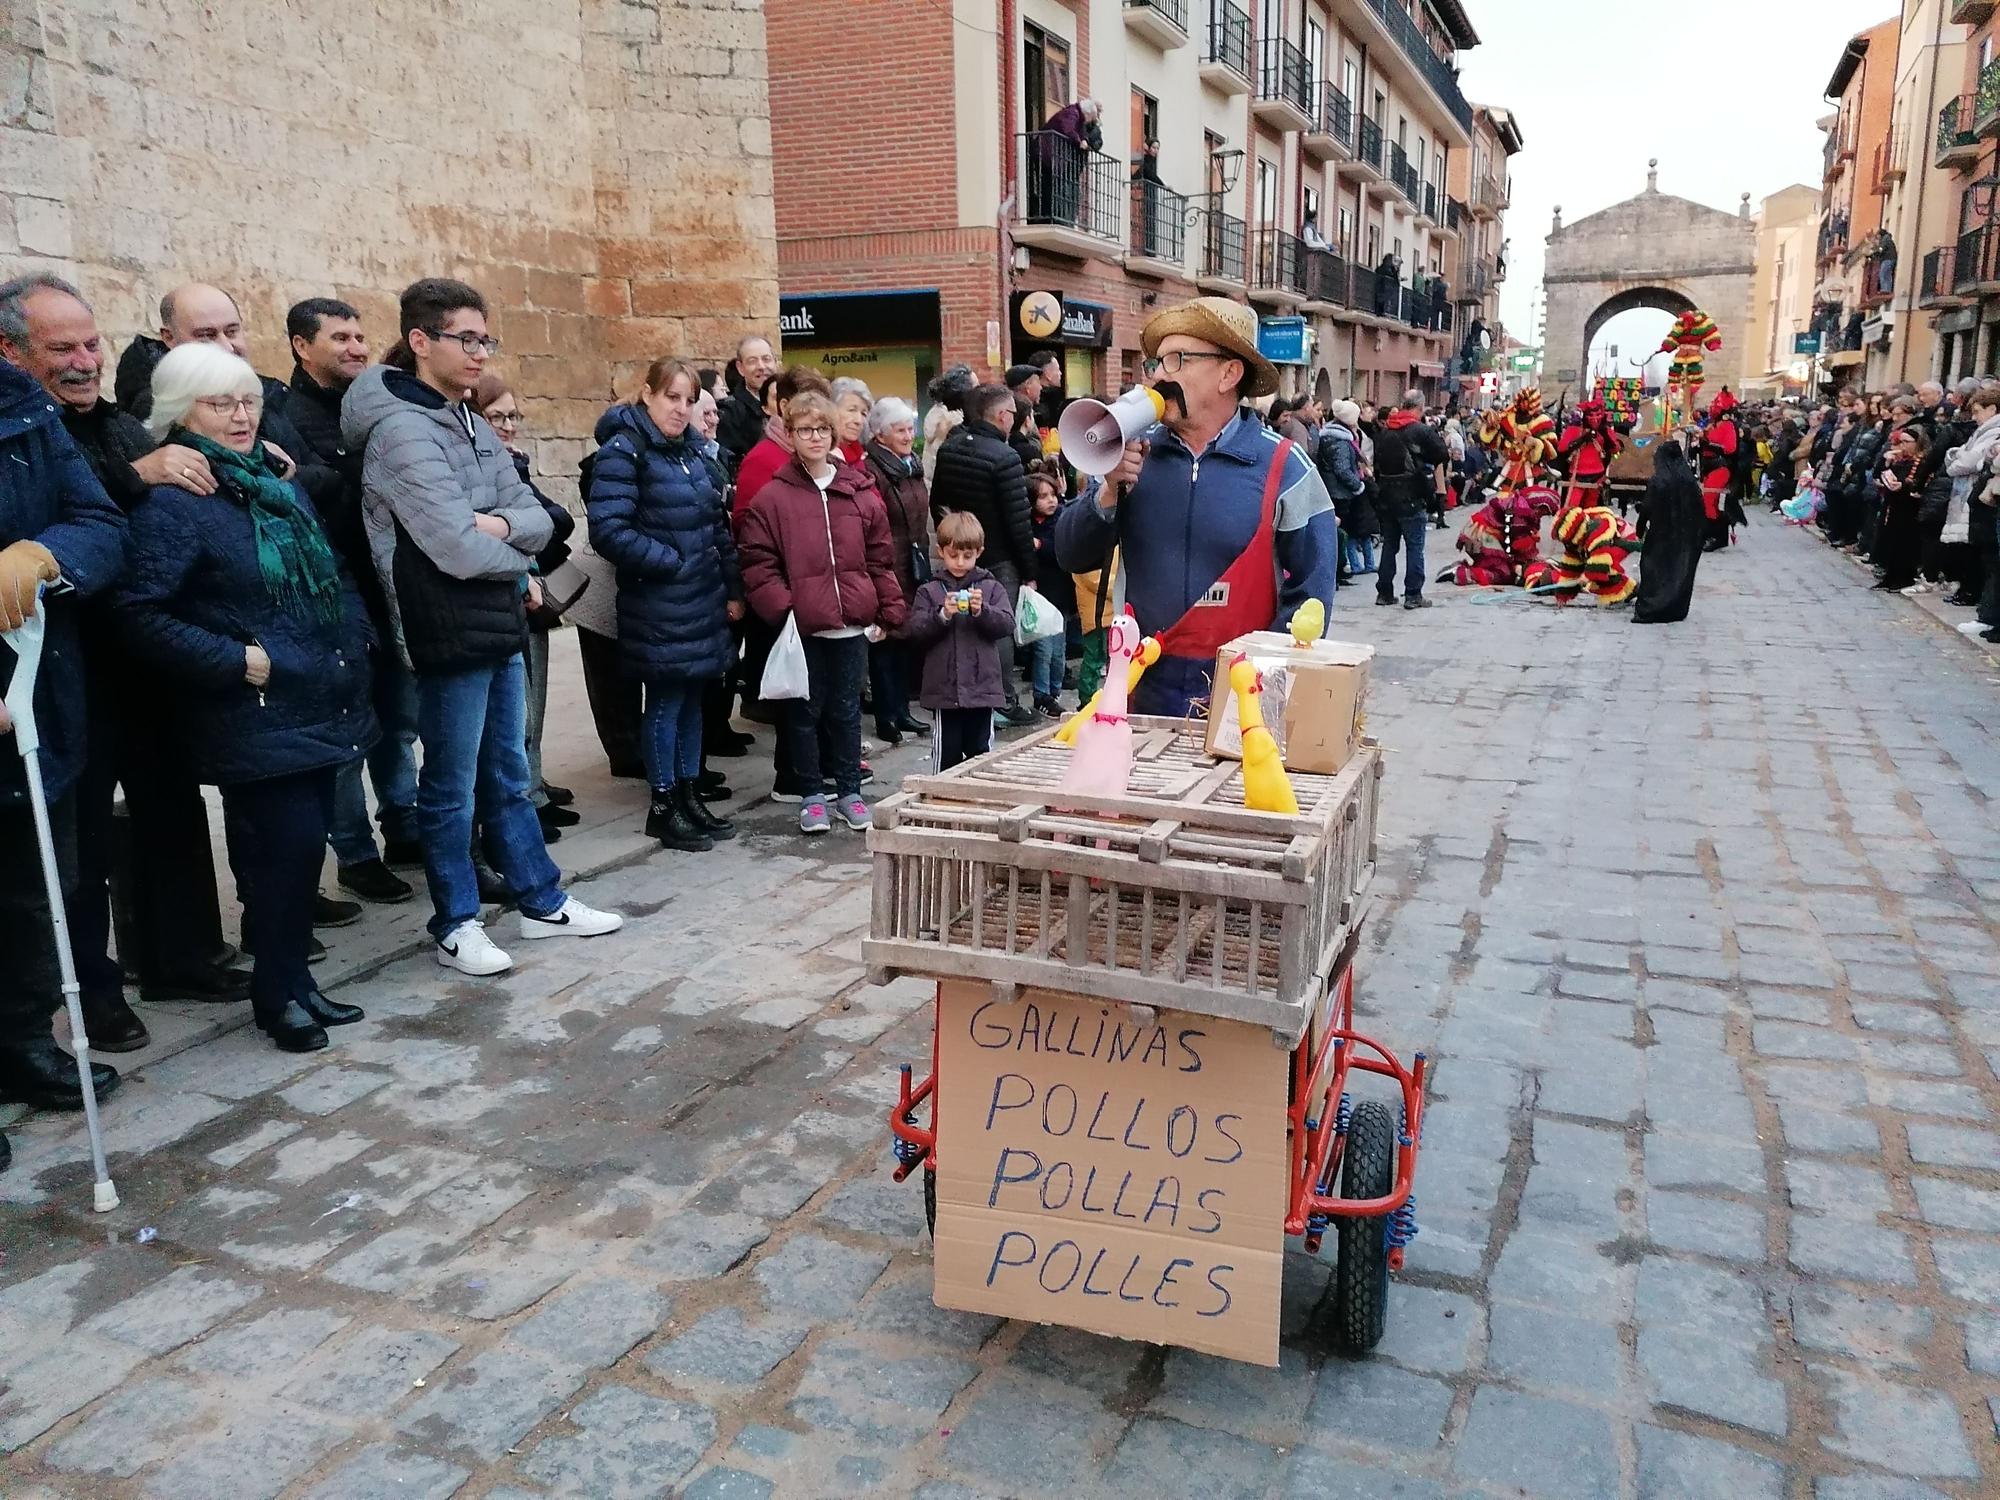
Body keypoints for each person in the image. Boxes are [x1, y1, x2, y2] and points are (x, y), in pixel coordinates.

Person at [342, 277, 622, 977]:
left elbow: (537, 513)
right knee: (451, 783)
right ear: (419, 341)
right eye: (466, 339)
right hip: (442, 627)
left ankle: (540, 900)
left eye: (484, 339)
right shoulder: (401, 430)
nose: (479, 353)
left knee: (507, 772)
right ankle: (457, 921)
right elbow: (449, 545)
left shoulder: (464, 417)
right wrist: (508, 542)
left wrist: (498, 524)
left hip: (493, 614)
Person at [109, 343, 376, 1054]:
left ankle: (295, 983)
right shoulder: (176, 500)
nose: (239, 416)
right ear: (181, 412)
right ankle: (275, 997)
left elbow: (335, 572)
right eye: (218, 403)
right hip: (253, 708)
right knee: (277, 857)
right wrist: (236, 662)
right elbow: (138, 611)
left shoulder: (273, 484)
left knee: (299, 855)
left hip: (317, 694)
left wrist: (353, 638)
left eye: (247, 401)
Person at [0, 273, 243, 1050]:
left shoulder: (115, 423)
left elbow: (105, 525)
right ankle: (96, 995)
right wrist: (137, 476)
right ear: (10, 352)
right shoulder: (37, 429)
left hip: (145, 660)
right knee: (78, 854)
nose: (83, 361)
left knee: (170, 815)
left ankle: (182, 958)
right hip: (69, 672)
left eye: (91, 343)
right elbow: (90, 511)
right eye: (59, 348)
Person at [1054, 296, 1338, 716]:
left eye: (1178, 360)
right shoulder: (1131, 455)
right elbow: (1070, 553)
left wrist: (1262, 682)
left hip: (1242, 694)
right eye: (1158, 363)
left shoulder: (1286, 467)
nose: (1159, 377)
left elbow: (1313, 595)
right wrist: (1108, 492)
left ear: (1229, 373)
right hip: (1140, 687)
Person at [0, 349, 127, 1153]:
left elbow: (98, 522)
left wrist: (45, 554)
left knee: (31, 892)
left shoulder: (21, 409)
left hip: (36, 705)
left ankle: (19, 1043)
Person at [281, 297, 421, 904]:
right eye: (339, 338)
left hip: (385, 586)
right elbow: (319, 499)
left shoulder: (370, 407)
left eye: (360, 336)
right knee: (349, 733)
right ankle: (356, 854)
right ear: (300, 345)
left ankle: (405, 824)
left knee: (397, 721)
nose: (356, 348)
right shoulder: (287, 416)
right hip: (336, 594)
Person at [586, 357, 742, 853]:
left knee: (693, 698)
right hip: (659, 599)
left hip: (701, 597)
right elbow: (608, 528)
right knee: (666, 703)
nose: (681, 409)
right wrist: (669, 563)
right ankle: (663, 804)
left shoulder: (691, 453)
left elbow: (716, 525)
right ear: (648, 394)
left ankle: (690, 794)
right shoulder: (624, 451)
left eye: (689, 400)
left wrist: (732, 585)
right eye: (672, 397)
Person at [737, 391, 905, 835]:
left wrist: (888, 610)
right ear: (791, 435)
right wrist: (785, 608)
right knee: (804, 713)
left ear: (833, 434)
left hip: (850, 624)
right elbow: (758, 561)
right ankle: (811, 793)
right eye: (805, 430)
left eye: (822, 429)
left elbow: (879, 558)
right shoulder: (774, 497)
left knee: (846, 711)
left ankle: (849, 790)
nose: (814, 437)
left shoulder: (860, 492)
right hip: (804, 626)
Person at [471, 374, 577, 838]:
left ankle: (532, 785)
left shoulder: (514, 464)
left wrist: (527, 525)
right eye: (498, 417)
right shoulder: (484, 470)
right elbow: (534, 522)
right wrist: (528, 527)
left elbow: (559, 518)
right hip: (502, 598)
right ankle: (522, 798)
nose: (509, 426)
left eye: (514, 416)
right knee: (515, 713)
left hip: (533, 597)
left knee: (534, 703)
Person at [931, 383, 1037, 726]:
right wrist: (1029, 569)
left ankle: (970, 693)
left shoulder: (950, 448)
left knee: (963, 622)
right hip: (1000, 555)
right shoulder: (1006, 458)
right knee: (997, 626)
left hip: (959, 550)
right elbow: (1018, 521)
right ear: (1003, 416)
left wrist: (952, 542)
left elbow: (938, 503)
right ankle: (1003, 701)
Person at [902, 511, 1016, 769]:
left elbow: (1007, 624)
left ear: (979, 552)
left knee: (981, 756)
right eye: (954, 555)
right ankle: (940, 799)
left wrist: (982, 610)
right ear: (941, 552)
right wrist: (941, 614)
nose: (960, 562)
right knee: (946, 755)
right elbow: (916, 630)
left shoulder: (991, 587)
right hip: (945, 691)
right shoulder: (929, 591)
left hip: (982, 688)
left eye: (968, 555)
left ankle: (979, 801)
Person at [861, 396, 933, 745]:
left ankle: (902, 710)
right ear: (880, 435)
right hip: (888, 563)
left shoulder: (909, 463)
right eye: (900, 430)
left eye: (909, 429)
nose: (908, 436)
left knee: (906, 639)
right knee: (886, 640)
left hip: (913, 559)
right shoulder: (873, 469)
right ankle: (886, 715)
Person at [1372, 391, 1450, 609]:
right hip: (1412, 495)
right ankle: (1413, 594)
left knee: (1389, 545)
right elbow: (1442, 454)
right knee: (1414, 547)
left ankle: (1384, 592)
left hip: (1387, 496)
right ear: (1420, 406)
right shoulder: (1420, 430)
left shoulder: (1386, 431)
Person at [736, 365, 831, 512]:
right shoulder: (761, 459)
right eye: (808, 406)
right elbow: (747, 522)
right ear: (785, 406)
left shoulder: (827, 453)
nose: (817, 414)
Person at [1632, 435, 1705, 624]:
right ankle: (1675, 607)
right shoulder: (1689, 481)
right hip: (1686, 537)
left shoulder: (1659, 481)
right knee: (1680, 571)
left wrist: (1639, 529)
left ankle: (1652, 607)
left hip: (1661, 535)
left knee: (1656, 570)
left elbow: (1647, 508)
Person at [1025, 470, 1069, 716]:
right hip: (1040, 594)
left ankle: (1055, 690)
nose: (1050, 500)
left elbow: (1061, 549)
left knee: (1058, 649)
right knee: (1043, 649)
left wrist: (1039, 545)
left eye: (1052, 494)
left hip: (1059, 592)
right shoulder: (1027, 522)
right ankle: (1042, 695)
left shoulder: (1062, 519)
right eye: (1043, 496)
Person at [1318, 399, 1373, 580]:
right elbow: (1342, 469)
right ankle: (1339, 569)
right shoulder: (1339, 441)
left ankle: (1341, 568)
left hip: (1337, 489)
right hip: (1339, 492)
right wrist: (1358, 486)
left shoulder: (1333, 436)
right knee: (1341, 531)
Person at [1871, 424, 1925, 592]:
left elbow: (1917, 482)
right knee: (1890, 540)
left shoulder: (1920, 461)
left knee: (1904, 544)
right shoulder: (1899, 460)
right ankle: (1889, 576)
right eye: (1900, 442)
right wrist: (1885, 460)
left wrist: (1902, 485)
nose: (1902, 446)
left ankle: (1903, 577)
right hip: (1892, 504)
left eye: (1906, 442)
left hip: (1908, 507)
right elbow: (1879, 473)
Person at [717, 334, 777, 477]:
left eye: (766, 359)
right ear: (740, 368)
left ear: (776, 362)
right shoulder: (729, 413)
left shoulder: (793, 403)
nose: (761, 366)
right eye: (752, 361)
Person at [829, 377, 873, 467]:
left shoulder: (864, 456)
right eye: (852, 410)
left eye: (863, 414)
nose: (859, 421)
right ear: (831, 410)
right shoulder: (821, 457)